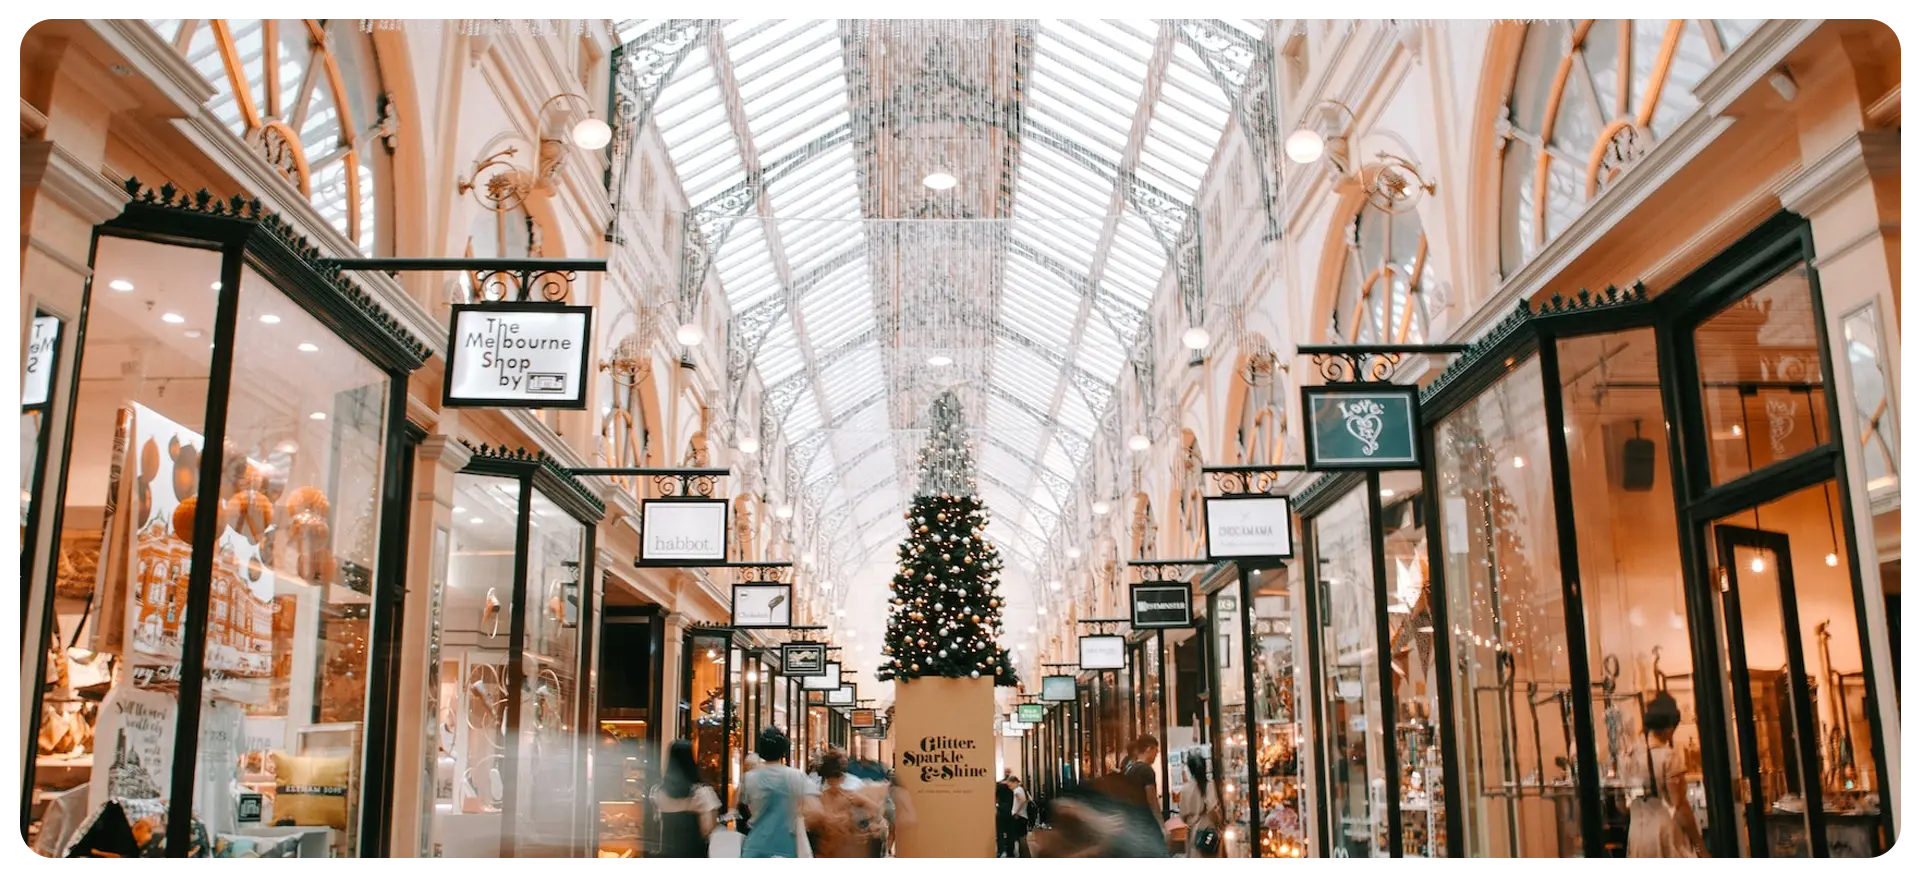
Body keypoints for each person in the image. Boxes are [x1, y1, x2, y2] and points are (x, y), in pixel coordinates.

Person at [1629, 692, 1704, 860]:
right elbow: (1681, 807)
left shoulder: (1632, 755)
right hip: (1664, 835)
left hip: (1638, 836)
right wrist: (1699, 846)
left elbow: (1622, 804)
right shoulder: (1668, 758)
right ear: (1670, 728)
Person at [738, 727, 818, 860]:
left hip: (754, 846)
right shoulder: (797, 776)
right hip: (786, 846)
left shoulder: (749, 778)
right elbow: (815, 810)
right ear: (784, 751)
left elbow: (745, 804)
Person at [806, 748, 888, 861]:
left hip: (836, 849)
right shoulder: (850, 791)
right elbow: (874, 808)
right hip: (838, 849)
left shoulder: (819, 794)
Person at [650, 740, 720, 863]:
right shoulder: (702, 793)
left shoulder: (658, 792)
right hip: (694, 856)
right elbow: (708, 828)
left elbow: (655, 821)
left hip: (667, 857)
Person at [1177, 750, 1222, 859]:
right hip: (1207, 830)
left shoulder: (1185, 789)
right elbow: (1212, 809)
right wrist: (1219, 823)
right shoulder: (1209, 785)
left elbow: (1182, 815)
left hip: (1192, 832)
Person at [1007, 775, 1032, 859]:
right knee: (1022, 837)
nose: (1009, 788)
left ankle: (1024, 857)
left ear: (1014, 782)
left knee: (1021, 838)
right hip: (1023, 816)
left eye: (1010, 785)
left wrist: (1017, 812)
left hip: (1019, 816)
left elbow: (1022, 800)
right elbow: (1027, 800)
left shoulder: (1017, 790)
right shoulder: (1022, 789)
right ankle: (1025, 856)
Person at [996, 770, 1016, 858]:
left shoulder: (999, 785)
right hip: (1010, 811)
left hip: (1001, 811)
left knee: (1000, 833)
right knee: (1010, 833)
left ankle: (1000, 850)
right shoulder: (1012, 787)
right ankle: (1010, 852)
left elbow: (996, 796)